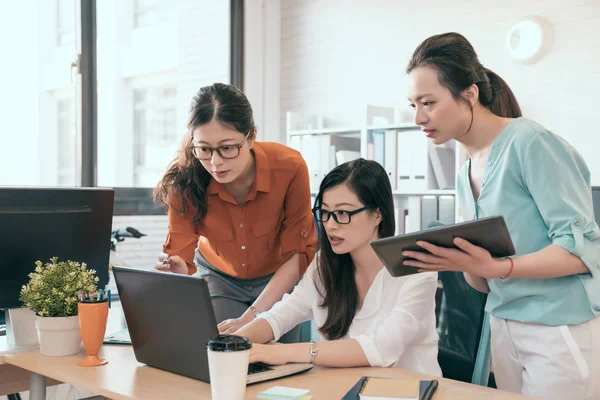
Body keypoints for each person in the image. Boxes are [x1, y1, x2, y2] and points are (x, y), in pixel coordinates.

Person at [404, 32, 600, 399]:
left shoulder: (531, 143)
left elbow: (583, 251)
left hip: (558, 328)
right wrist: (459, 261)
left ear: (470, 94)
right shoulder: (464, 171)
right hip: (504, 326)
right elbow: (482, 281)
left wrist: (499, 268)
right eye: (413, 104)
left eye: (428, 102)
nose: (418, 117)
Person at [236, 159, 441, 374]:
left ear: (377, 214)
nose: (330, 225)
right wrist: (231, 343)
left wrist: (284, 353)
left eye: (343, 213)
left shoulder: (416, 270)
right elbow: (280, 316)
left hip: (408, 392)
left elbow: (382, 348)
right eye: (324, 213)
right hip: (341, 388)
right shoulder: (323, 265)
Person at [154, 83, 318, 341]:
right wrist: (178, 270)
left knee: (280, 360)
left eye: (228, 148)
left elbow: (299, 253)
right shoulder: (185, 180)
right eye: (204, 149)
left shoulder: (290, 167)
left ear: (251, 136)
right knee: (225, 349)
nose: (215, 163)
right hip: (220, 278)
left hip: (278, 275)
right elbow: (181, 256)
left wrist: (253, 315)